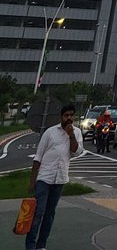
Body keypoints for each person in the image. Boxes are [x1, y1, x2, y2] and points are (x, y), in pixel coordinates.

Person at [27, 103, 83, 250]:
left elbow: (76, 151)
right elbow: (38, 157)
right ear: (61, 117)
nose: (69, 118)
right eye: (66, 115)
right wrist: (32, 182)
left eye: (71, 115)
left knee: (50, 214)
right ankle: (30, 245)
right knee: (38, 212)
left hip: (60, 178)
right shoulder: (50, 132)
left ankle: (41, 245)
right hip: (44, 177)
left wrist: (71, 135)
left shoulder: (76, 133)